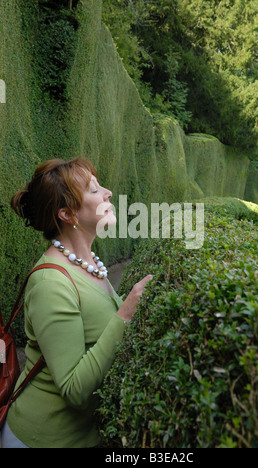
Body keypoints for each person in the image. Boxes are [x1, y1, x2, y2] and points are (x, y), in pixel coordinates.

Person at [1, 157, 153, 448]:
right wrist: (125, 314)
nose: (108, 192)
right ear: (68, 215)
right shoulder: (51, 284)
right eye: (94, 190)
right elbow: (74, 389)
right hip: (41, 438)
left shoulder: (89, 263)